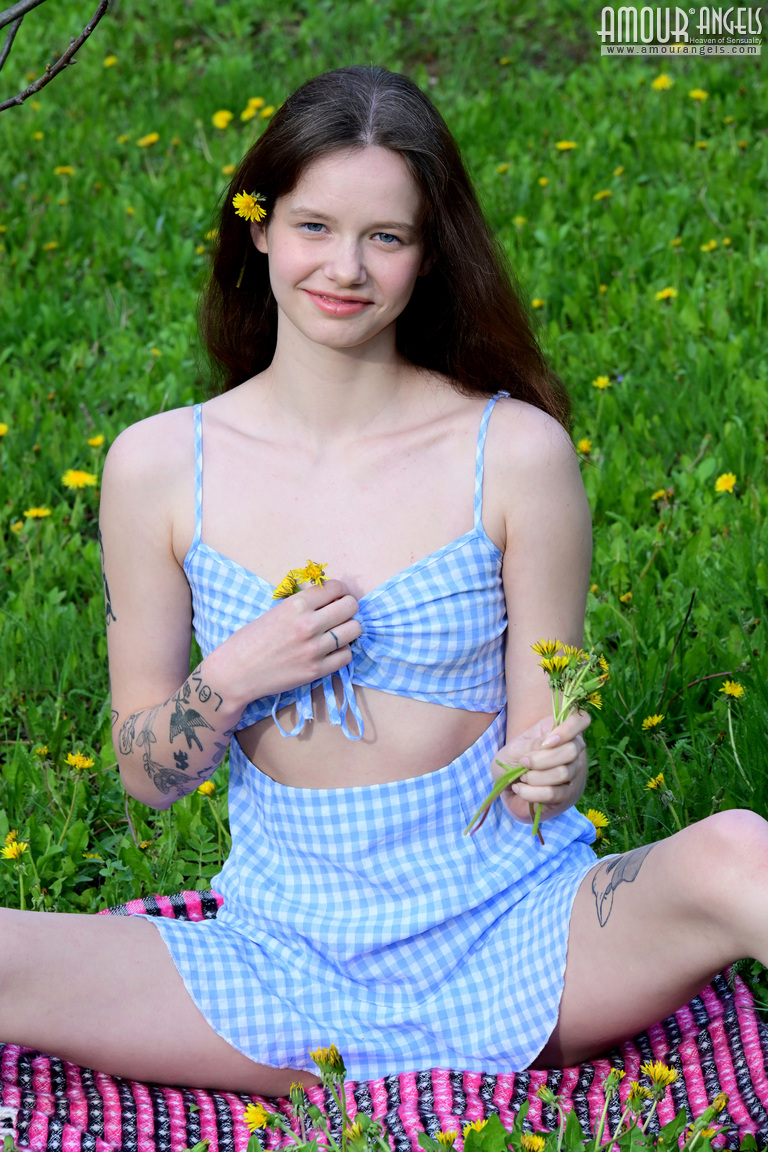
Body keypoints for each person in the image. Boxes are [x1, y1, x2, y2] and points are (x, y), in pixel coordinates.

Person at [3, 65, 767, 1096]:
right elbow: (148, 775)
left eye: (387, 237)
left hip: (518, 937)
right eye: (314, 226)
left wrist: (553, 768)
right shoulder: (158, 466)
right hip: (275, 964)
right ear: (259, 227)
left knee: (738, 852)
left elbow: (545, 750)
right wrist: (233, 675)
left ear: (429, 252)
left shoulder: (514, 452)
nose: (346, 268)